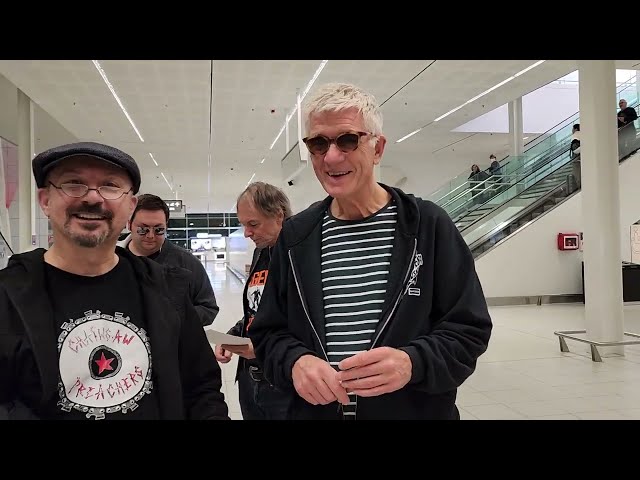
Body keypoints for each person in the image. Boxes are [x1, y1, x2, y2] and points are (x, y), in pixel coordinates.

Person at [248, 83, 493, 420]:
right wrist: (295, 362)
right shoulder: (296, 237)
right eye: (318, 143)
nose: (331, 157)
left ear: (377, 148)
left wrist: (412, 362)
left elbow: (468, 330)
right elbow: (268, 332)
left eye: (348, 140)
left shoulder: (428, 227)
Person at [0, 141, 229, 420]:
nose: (93, 198)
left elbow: (201, 389)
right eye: (73, 183)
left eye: (110, 186)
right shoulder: (8, 297)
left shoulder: (168, 290)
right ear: (45, 200)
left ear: (130, 206)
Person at [214, 182, 294, 420]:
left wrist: (261, 350)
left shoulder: (299, 256)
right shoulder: (262, 251)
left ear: (278, 215)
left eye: (253, 224)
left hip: (283, 383)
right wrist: (233, 335)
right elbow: (256, 309)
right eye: (243, 224)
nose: (246, 232)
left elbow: (306, 323)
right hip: (251, 380)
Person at [118, 193, 219, 327]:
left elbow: (208, 309)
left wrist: (172, 318)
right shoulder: (109, 258)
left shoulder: (187, 263)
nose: (150, 235)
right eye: (143, 229)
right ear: (129, 225)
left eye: (159, 230)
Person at [569, 123, 581, 192]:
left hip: (577, 161)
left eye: (572, 128)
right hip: (580, 159)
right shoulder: (583, 135)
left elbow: (575, 150)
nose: (572, 130)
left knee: (578, 176)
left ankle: (580, 188)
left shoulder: (575, 137)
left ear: (576, 129)